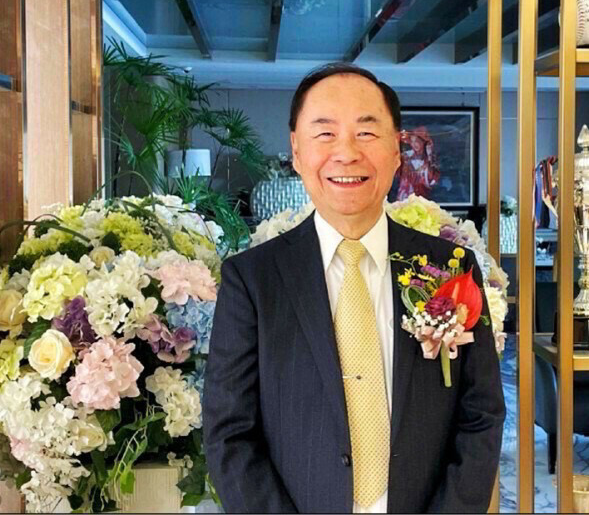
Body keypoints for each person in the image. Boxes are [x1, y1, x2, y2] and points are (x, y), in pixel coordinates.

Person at [203, 62, 505, 513]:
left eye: (366, 133)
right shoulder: (252, 280)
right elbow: (229, 433)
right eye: (325, 133)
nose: (346, 153)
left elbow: (481, 414)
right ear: (297, 151)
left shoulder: (450, 268)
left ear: (397, 150)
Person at [396, 128, 440, 200]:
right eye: (412, 141)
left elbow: (432, 181)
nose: (414, 144)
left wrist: (429, 156)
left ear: (424, 142)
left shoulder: (430, 160)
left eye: (417, 141)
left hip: (422, 201)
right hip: (403, 199)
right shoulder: (405, 156)